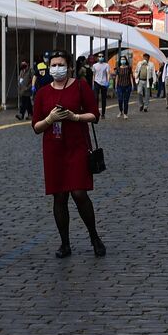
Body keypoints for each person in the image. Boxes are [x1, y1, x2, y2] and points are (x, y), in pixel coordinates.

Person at [31, 51, 104, 258]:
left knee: (79, 193)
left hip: (77, 147)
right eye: (53, 65)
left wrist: (75, 116)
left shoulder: (81, 86)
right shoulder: (43, 92)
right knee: (59, 196)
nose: (56, 68)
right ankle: (65, 243)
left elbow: (94, 115)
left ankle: (94, 236)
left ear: (69, 66)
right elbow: (36, 126)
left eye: (60, 64)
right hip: (53, 150)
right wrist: (50, 119)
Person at [113, 54, 133, 119]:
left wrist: (132, 85)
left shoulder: (129, 68)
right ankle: (120, 111)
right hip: (119, 86)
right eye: (122, 59)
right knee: (120, 99)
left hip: (128, 85)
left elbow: (130, 77)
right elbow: (117, 77)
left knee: (126, 100)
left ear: (126, 60)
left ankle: (125, 113)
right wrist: (115, 86)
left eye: (124, 59)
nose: (123, 60)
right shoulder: (118, 68)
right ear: (120, 61)